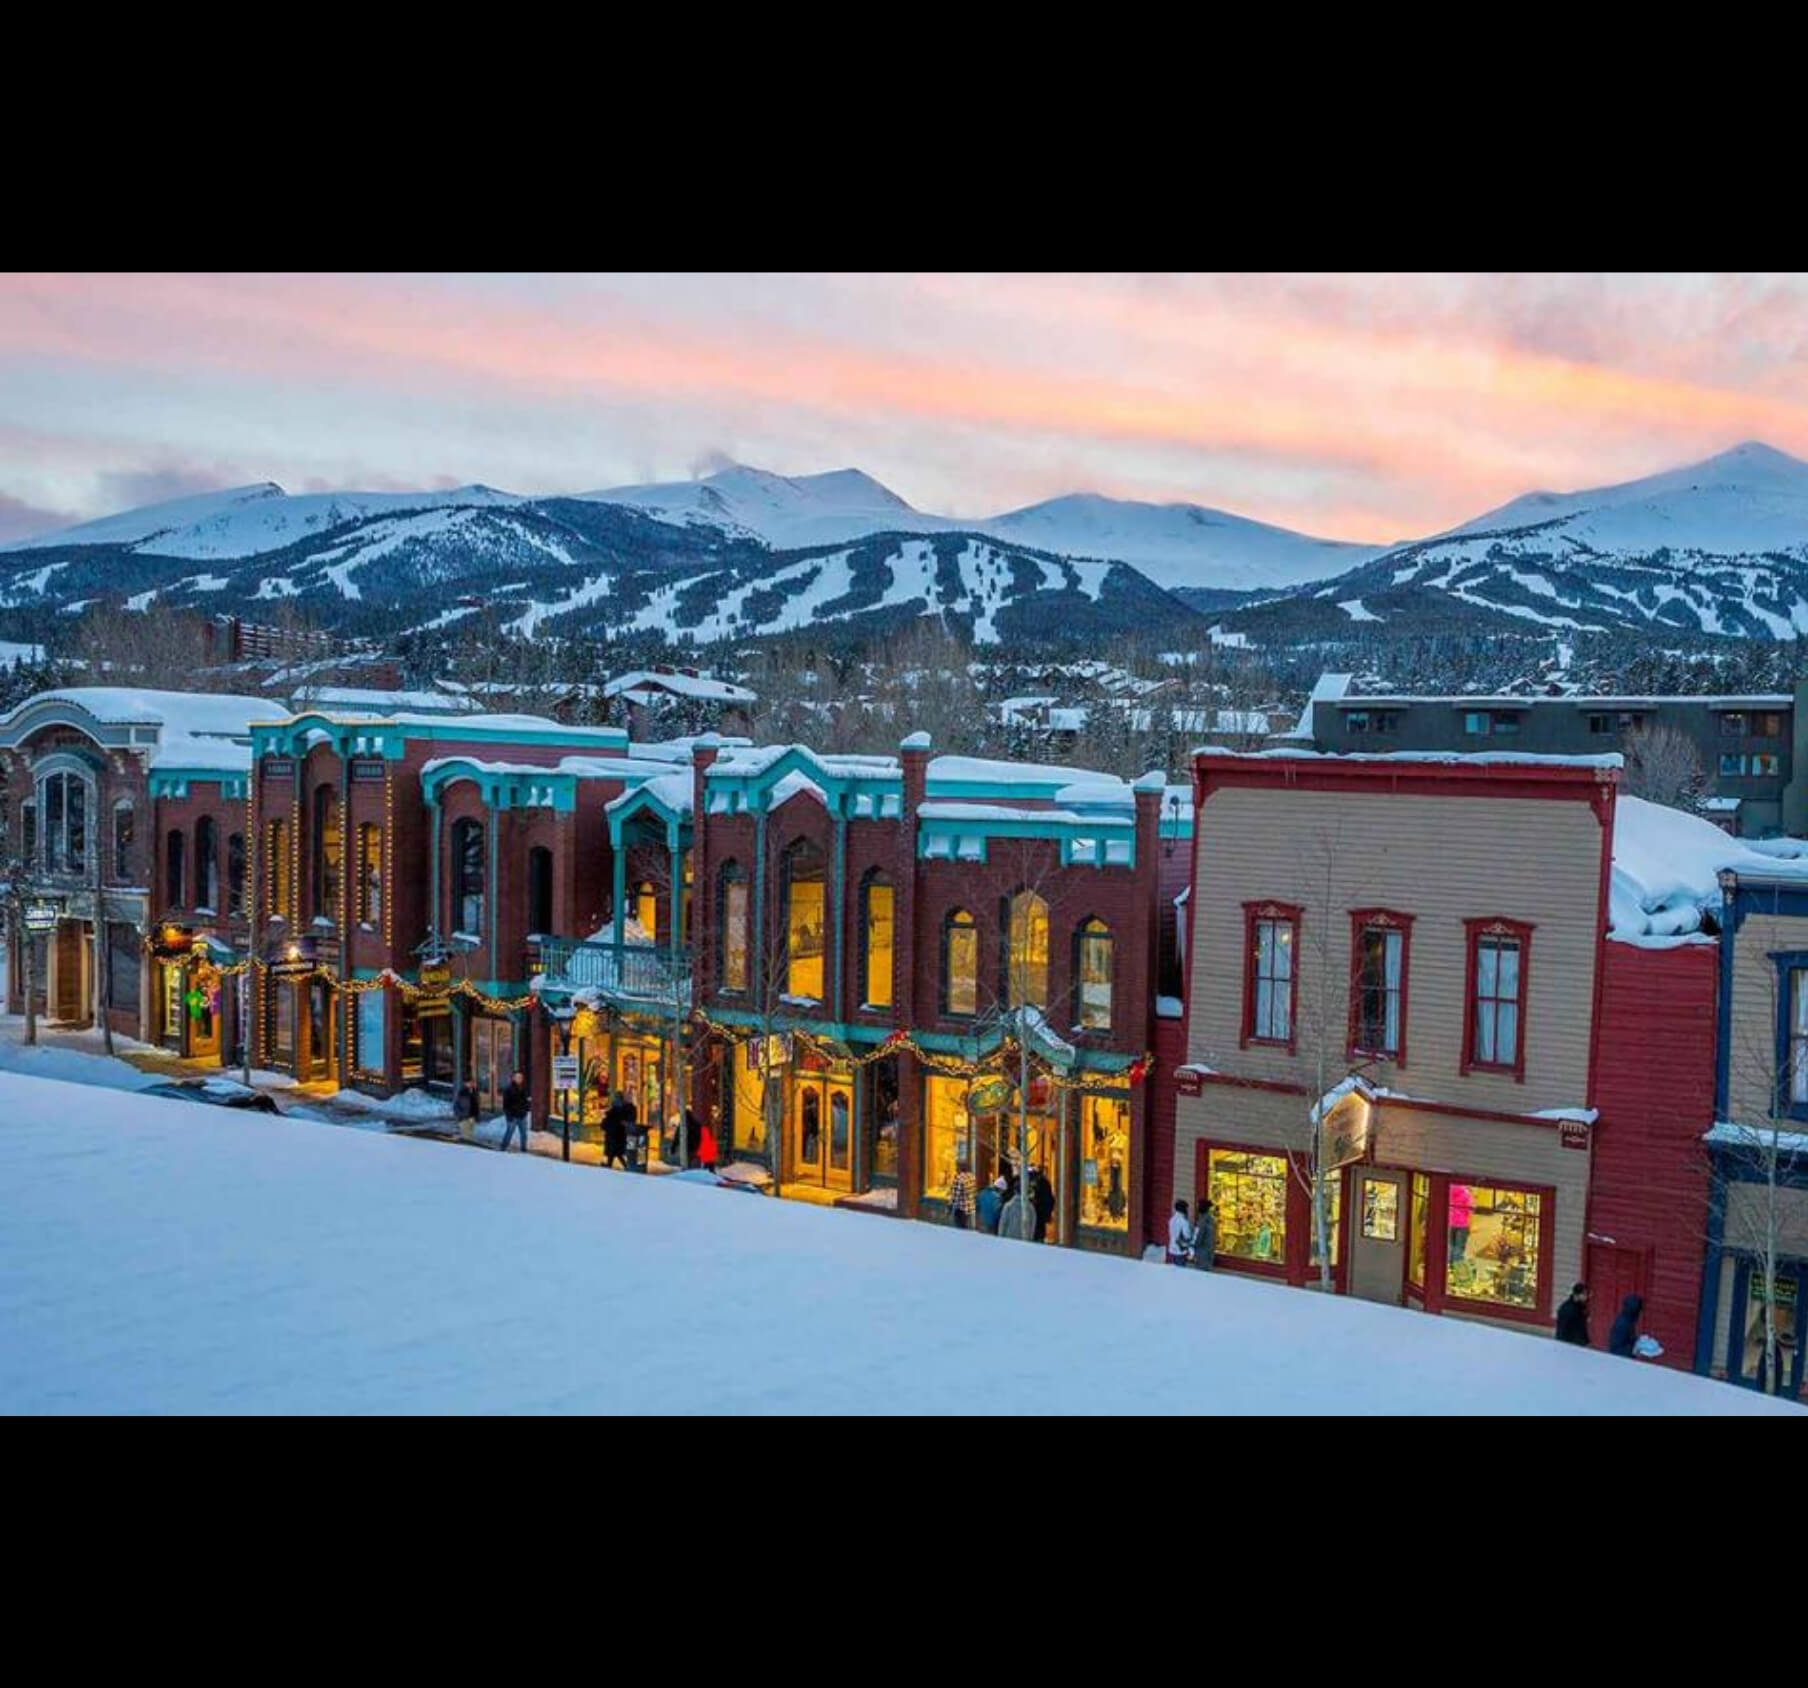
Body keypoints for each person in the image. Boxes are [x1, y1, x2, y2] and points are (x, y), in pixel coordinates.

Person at [499, 1070, 530, 1153]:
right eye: (517, 1077)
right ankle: (503, 1148)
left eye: (521, 1077)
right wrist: (509, 1116)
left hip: (522, 1115)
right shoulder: (508, 1089)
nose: (519, 1079)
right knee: (509, 1132)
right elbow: (506, 1105)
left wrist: (526, 1109)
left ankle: (524, 1149)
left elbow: (526, 1101)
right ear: (513, 1078)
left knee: (524, 1134)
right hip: (512, 1116)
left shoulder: (524, 1088)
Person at [1608, 1293, 1644, 1358]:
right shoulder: (1623, 1324)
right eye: (1638, 1311)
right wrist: (1633, 1351)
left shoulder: (1628, 1321)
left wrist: (1639, 1342)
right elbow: (1615, 1349)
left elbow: (1628, 1339)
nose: (1640, 1314)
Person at [1555, 1282, 1591, 1346]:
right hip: (1569, 1343)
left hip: (1580, 1342)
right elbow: (1562, 1329)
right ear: (1576, 1295)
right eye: (1584, 1294)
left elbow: (1582, 1326)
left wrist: (1586, 1341)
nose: (1587, 1297)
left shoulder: (1581, 1306)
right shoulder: (1567, 1309)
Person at [1447, 1183, 1474, 1265]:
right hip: (1462, 1224)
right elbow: (1470, 1211)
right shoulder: (1466, 1194)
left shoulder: (1449, 1188)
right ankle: (1456, 1267)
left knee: (1451, 1245)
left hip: (1450, 1221)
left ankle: (1449, 1265)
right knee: (1459, 1247)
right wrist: (1470, 1226)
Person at [602, 1093, 629, 1171]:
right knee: (615, 1152)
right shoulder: (622, 1108)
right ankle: (610, 1164)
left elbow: (613, 1118)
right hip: (617, 1133)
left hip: (614, 1133)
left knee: (614, 1151)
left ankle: (610, 1164)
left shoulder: (616, 1109)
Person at [949, 1160, 976, 1230]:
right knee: (967, 1227)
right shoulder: (972, 1177)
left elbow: (955, 1195)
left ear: (960, 1168)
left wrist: (950, 1206)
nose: (956, 1169)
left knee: (960, 1227)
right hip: (970, 1207)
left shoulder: (959, 1178)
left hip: (961, 1208)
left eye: (957, 1167)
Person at [1031, 1166, 1055, 1243]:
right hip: (1042, 1211)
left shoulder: (1038, 1184)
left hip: (1038, 1210)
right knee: (1040, 1229)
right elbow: (1050, 1199)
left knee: (1038, 1228)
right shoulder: (1044, 1183)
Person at [1190, 1198, 1216, 1270]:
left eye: (1198, 1206)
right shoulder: (1211, 1219)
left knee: (1201, 1273)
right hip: (1209, 1250)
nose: (1197, 1208)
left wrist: (1192, 1246)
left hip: (1203, 1252)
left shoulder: (1203, 1220)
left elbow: (1199, 1236)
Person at [1168, 1198, 1193, 1266]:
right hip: (1180, 1250)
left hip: (1172, 1248)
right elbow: (1187, 1236)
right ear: (1183, 1209)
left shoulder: (1171, 1220)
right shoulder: (1184, 1221)